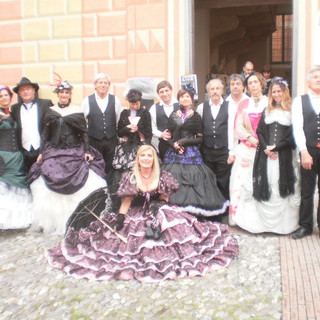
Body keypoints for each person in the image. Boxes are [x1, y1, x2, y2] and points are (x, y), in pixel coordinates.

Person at [46, 145, 238, 282]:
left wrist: (158, 205)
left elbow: (164, 197)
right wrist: (120, 218)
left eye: (149, 156)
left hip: (158, 210)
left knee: (169, 227)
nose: (146, 159)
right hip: (136, 213)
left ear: (153, 159)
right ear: (138, 159)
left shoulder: (162, 175)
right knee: (129, 241)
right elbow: (126, 201)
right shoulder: (130, 176)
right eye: (143, 156)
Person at [28, 81, 107, 235]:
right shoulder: (51, 111)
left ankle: (79, 218)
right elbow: (45, 133)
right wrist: (42, 152)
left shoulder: (77, 110)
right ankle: (53, 221)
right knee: (46, 172)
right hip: (54, 149)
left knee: (87, 174)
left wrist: (87, 150)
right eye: (62, 92)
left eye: (67, 92)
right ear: (57, 94)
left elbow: (84, 132)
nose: (64, 95)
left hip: (74, 149)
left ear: (70, 94)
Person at [233, 78, 300, 234]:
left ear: (285, 92)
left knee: (280, 183)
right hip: (265, 155)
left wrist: (276, 148)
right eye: (274, 91)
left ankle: (283, 227)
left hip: (282, 156)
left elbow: (292, 136)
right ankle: (257, 225)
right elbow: (261, 131)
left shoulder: (292, 110)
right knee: (264, 181)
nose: (277, 94)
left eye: (279, 91)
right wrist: (266, 148)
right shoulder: (267, 110)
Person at [161, 86, 228, 217]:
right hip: (175, 153)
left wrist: (184, 142)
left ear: (191, 100)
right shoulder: (174, 115)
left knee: (195, 180)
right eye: (182, 96)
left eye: (187, 96)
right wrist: (174, 144)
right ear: (179, 99)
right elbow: (167, 135)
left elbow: (200, 139)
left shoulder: (196, 116)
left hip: (191, 153)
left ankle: (194, 212)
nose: (185, 99)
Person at [229, 72, 268, 225]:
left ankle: (260, 220)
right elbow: (237, 129)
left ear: (261, 84)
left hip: (265, 150)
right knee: (241, 184)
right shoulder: (244, 104)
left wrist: (264, 143)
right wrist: (253, 139)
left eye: (255, 82)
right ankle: (241, 219)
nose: (253, 85)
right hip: (247, 149)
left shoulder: (269, 101)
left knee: (261, 182)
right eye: (250, 83)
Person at [291, 68, 320, 239]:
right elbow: (297, 128)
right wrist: (304, 151)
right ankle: (305, 226)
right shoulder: (300, 101)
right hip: (309, 150)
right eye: (315, 77)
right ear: (308, 82)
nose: (318, 79)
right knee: (307, 191)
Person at [197, 79, 236, 201]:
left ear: (222, 90)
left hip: (223, 151)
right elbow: (198, 129)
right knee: (208, 180)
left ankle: (223, 208)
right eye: (212, 89)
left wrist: (232, 151)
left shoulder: (230, 106)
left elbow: (233, 130)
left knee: (223, 181)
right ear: (208, 91)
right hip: (207, 151)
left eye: (217, 88)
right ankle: (211, 207)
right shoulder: (201, 107)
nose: (215, 91)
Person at [0, 85, 32, 229]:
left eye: (6, 95)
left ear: (10, 97)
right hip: (3, 156)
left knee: (17, 189)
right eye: (1, 96)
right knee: (3, 188)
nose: (4, 98)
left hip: (16, 157)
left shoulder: (13, 113)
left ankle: (15, 222)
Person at [81, 73, 123, 183]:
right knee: (95, 166)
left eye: (105, 83)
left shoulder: (115, 100)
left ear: (109, 85)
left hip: (111, 140)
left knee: (110, 167)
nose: (103, 85)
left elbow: (118, 119)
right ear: (95, 84)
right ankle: (98, 191)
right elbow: (83, 122)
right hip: (94, 140)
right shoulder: (87, 100)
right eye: (100, 82)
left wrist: (119, 137)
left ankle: (109, 190)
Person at [11, 77, 53, 172]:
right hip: (24, 151)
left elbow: (53, 126)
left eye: (28, 89)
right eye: (22, 90)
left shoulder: (46, 104)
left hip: (42, 150)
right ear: (19, 93)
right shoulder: (15, 108)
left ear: (34, 90)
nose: (25, 91)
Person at [112, 89, 152, 184]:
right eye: (132, 104)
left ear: (140, 101)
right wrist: (127, 128)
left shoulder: (145, 113)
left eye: (137, 104)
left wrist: (146, 146)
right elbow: (119, 132)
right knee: (124, 171)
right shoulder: (124, 113)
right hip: (126, 147)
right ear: (129, 103)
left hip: (141, 144)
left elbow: (149, 132)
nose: (134, 106)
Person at [149, 80, 179, 160]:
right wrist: (161, 134)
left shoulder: (180, 105)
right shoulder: (154, 108)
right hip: (164, 145)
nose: (165, 94)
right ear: (158, 94)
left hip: (180, 144)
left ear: (171, 90)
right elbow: (151, 127)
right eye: (161, 92)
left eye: (166, 90)